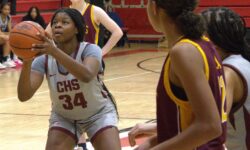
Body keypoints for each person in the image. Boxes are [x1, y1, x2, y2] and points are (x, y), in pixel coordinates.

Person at [17, 8, 121, 150]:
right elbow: (24, 95)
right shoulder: (44, 59)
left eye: (64, 22)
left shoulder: (91, 50)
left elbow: (86, 75)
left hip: (98, 113)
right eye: (54, 23)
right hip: (64, 117)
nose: (57, 25)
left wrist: (54, 51)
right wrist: (27, 61)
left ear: (77, 29)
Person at [131, 0, 227, 149]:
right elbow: (190, 124)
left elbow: (210, 126)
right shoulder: (203, 43)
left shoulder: (183, 52)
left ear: (154, 7)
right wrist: (153, 142)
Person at [201, 7, 250, 150]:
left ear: (211, 41)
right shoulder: (243, 61)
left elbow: (211, 127)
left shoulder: (228, 73)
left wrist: (159, 136)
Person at [46, 0, 123, 56]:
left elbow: (117, 32)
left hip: (89, 62)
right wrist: (55, 50)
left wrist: (101, 53)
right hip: (69, 62)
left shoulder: (95, 11)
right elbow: (46, 34)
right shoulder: (62, 13)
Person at [0, 2, 17, 69]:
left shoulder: (9, 17)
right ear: (1, 9)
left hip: (2, 34)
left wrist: (11, 35)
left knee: (9, 38)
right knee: (5, 38)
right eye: (5, 9)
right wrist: (5, 35)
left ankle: (5, 60)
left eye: (8, 9)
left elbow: (10, 31)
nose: (7, 11)